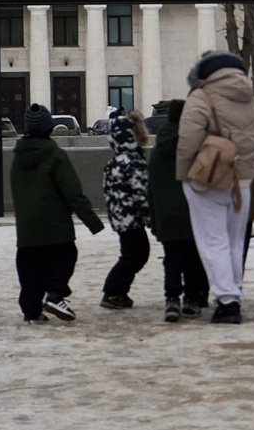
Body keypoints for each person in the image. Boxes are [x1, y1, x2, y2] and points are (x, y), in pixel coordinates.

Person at [174, 50, 254, 324]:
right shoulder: (251, 101)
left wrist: (185, 176)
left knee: (212, 241)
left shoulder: (200, 97)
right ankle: (233, 294)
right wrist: (248, 171)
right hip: (242, 182)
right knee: (234, 241)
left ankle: (226, 300)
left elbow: (187, 141)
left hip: (207, 180)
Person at [11, 103, 101, 322]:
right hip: (55, 225)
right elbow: (72, 191)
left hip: (27, 228)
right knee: (65, 256)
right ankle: (55, 295)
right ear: (49, 128)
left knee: (30, 267)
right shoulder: (55, 155)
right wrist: (92, 221)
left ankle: (31, 310)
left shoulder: (18, 157)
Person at [148, 98, 207, 323]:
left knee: (171, 258)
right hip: (193, 211)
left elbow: (151, 187)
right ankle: (192, 301)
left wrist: (154, 218)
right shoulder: (195, 146)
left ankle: (171, 299)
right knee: (192, 258)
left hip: (167, 214)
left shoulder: (157, 149)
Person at [100, 107, 154, 308]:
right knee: (136, 255)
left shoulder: (113, 163)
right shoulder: (134, 162)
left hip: (120, 218)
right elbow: (142, 194)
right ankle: (113, 292)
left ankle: (116, 292)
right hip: (133, 218)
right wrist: (151, 219)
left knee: (132, 254)